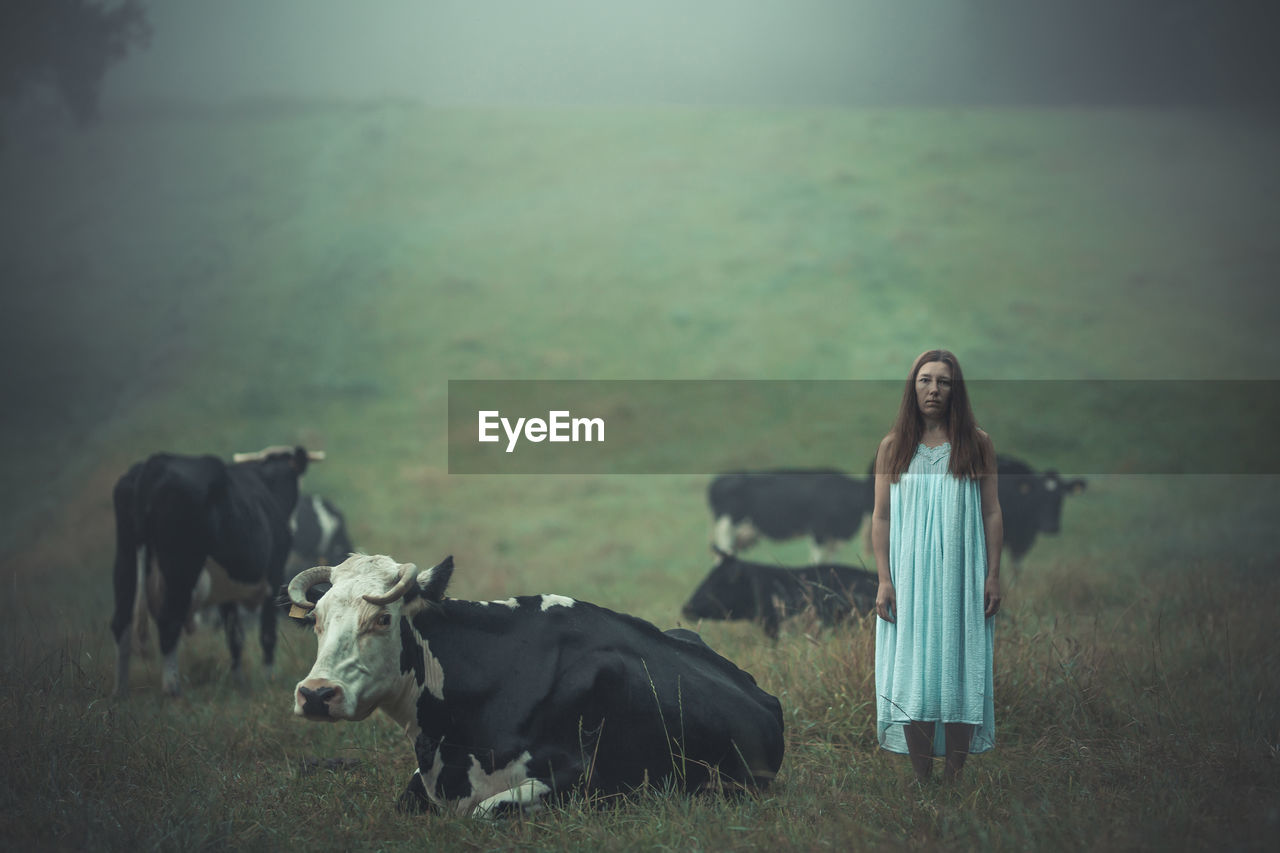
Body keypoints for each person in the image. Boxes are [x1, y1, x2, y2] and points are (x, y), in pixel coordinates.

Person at [871, 349, 1003, 784]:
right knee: (916, 671)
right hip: (909, 578)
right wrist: (885, 580)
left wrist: (992, 574)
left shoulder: (976, 443)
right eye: (925, 380)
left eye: (943, 381)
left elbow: (990, 513)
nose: (933, 389)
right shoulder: (894, 446)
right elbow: (882, 517)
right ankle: (923, 779)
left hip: (961, 576)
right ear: (913, 386)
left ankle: (955, 777)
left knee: (960, 668)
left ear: (955, 389)